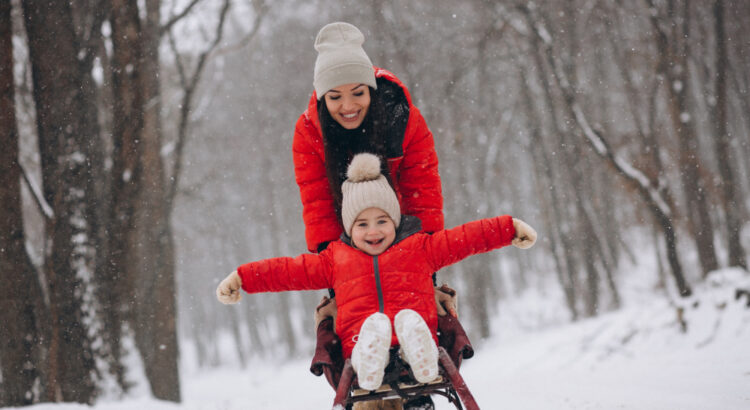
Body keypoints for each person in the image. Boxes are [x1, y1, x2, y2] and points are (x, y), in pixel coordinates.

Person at [217, 154, 537, 399]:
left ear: (395, 221)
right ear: (348, 228)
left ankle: (422, 361)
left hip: (415, 338)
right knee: (370, 337)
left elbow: (465, 238)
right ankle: (368, 367)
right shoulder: (335, 260)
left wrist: (507, 229)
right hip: (361, 347)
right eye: (362, 224)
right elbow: (287, 271)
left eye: (382, 220)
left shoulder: (419, 247)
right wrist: (243, 278)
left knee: (413, 327)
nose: (373, 231)